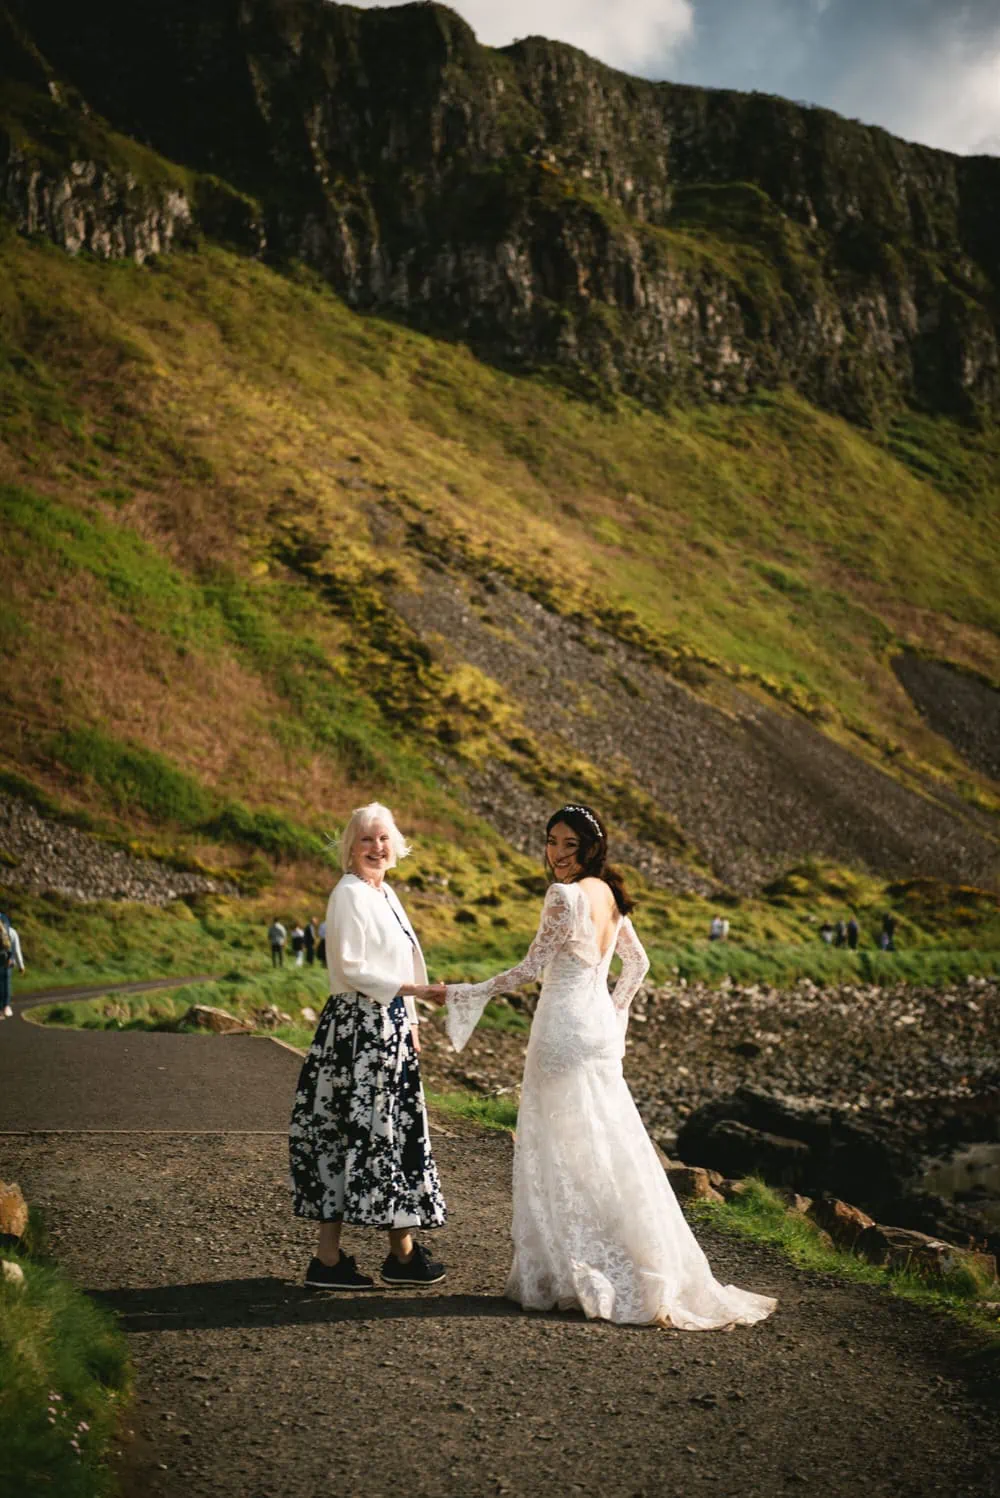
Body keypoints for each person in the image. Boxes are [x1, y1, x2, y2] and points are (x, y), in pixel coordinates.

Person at [443, 804, 776, 1331]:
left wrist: (465, 991)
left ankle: (566, 1273)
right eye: (550, 841)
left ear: (589, 847)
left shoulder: (565, 896)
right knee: (609, 1146)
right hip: (594, 1032)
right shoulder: (610, 896)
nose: (555, 853)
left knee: (559, 1151)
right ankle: (629, 1262)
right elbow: (637, 966)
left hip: (560, 1033)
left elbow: (531, 969)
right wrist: (612, 1014)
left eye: (567, 844)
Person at [289, 802, 447, 1291]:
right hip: (358, 1030)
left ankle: (389, 1256)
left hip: (391, 1026)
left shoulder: (386, 892)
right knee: (352, 1135)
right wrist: (416, 994)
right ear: (350, 847)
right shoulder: (349, 894)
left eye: (383, 838)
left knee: (391, 1134)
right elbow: (352, 967)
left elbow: (403, 959)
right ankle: (340, 1260)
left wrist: (413, 1020)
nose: (376, 848)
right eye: (366, 839)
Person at [0, 912, 24, 1019]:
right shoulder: (12, 932)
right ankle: (6, 1007)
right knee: (6, 984)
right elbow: (17, 950)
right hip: (7, 961)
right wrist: (21, 966)